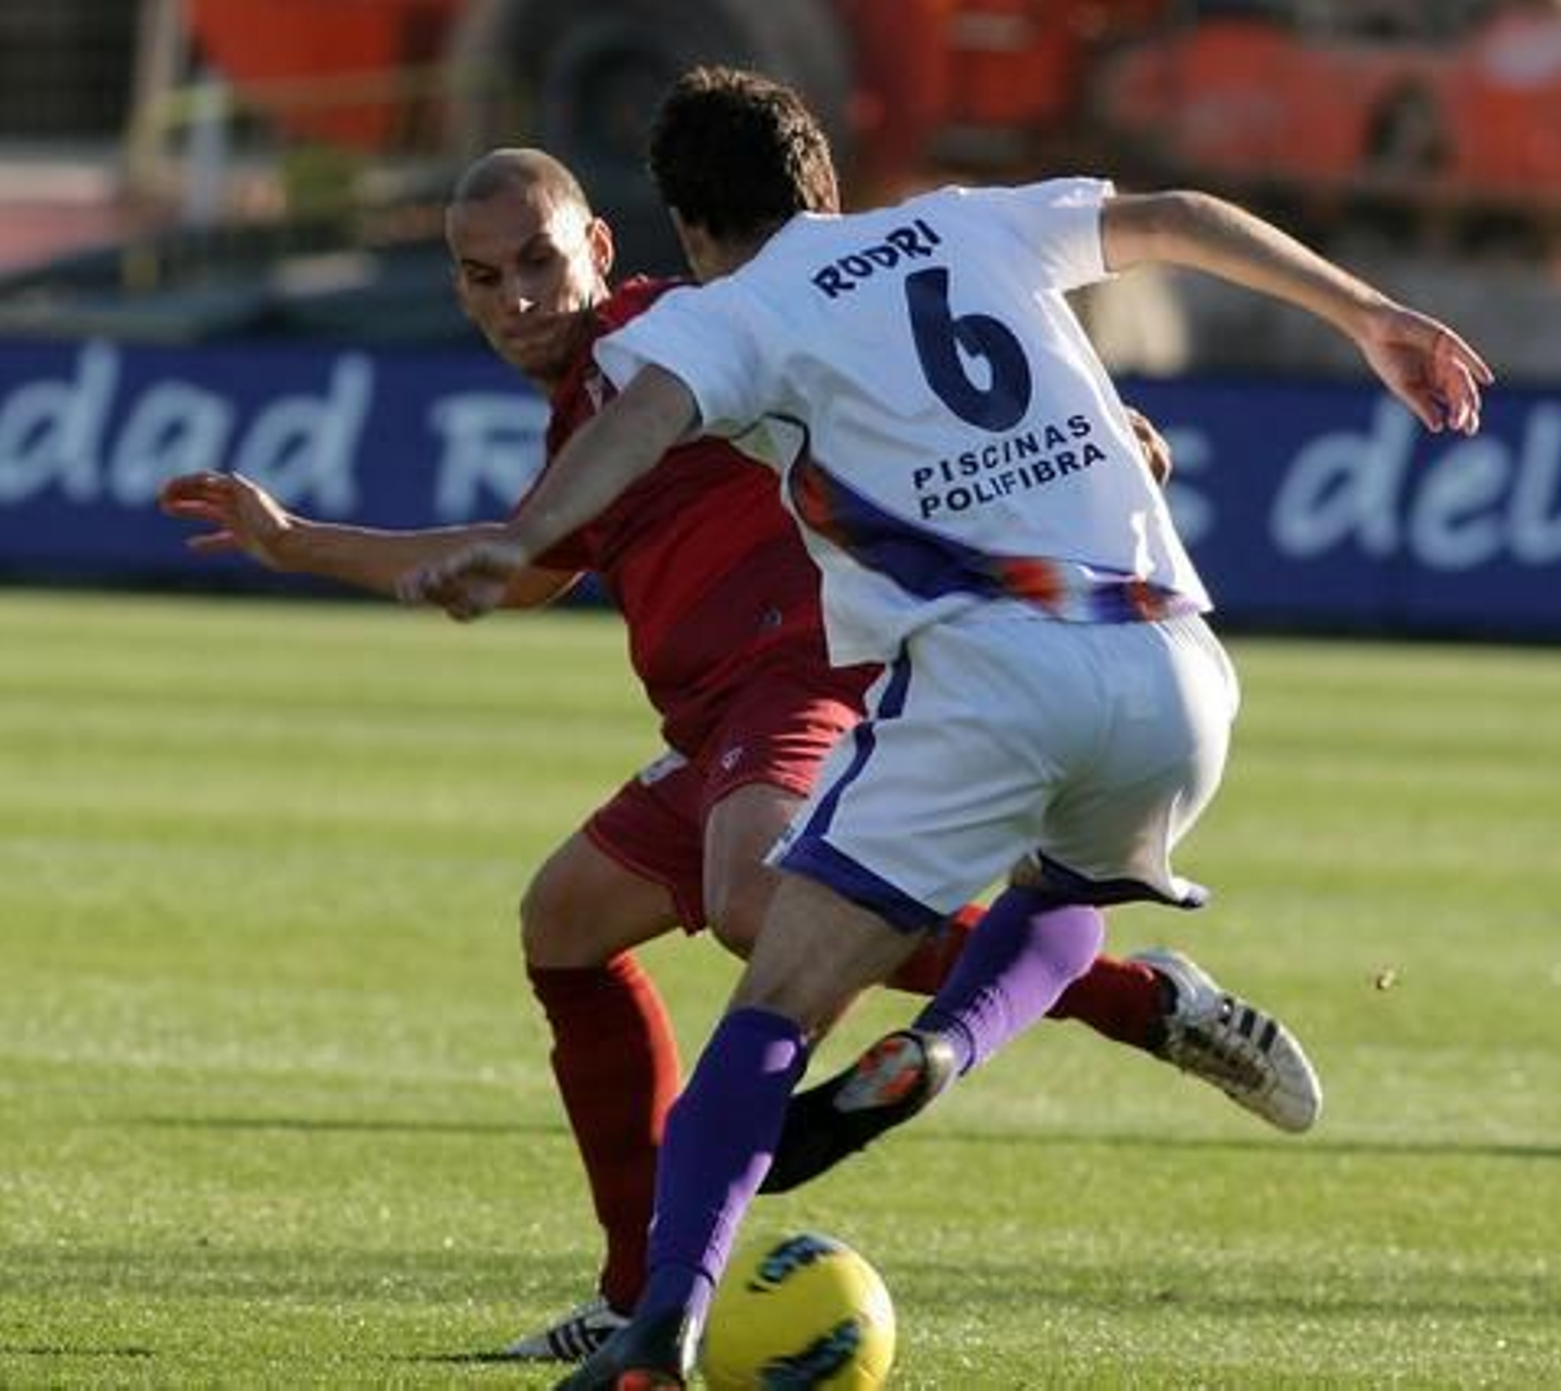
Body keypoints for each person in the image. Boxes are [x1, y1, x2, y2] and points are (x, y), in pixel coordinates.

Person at [163, 144, 1325, 1369]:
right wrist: (295, 546)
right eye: (481, 275)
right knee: (562, 922)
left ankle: (1142, 1000)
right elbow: (534, 563)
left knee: (751, 901)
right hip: (714, 718)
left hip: (811, 669)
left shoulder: (694, 319)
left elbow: (881, 338)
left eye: (540, 262)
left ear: (602, 248)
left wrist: (1088, 431)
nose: (517, 296)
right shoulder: (593, 398)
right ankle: (630, 1289)